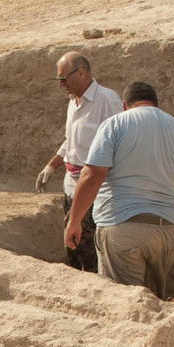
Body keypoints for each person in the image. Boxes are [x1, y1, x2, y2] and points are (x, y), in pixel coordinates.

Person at [64, 81, 174, 299]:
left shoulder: (115, 124)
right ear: (156, 104)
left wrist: (74, 220)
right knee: (154, 304)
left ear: (124, 105)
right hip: (166, 232)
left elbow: (92, 177)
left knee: (123, 303)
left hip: (122, 227)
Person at [35, 52, 122, 272]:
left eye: (63, 79)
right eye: (58, 80)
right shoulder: (73, 102)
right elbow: (71, 140)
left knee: (89, 248)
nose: (61, 84)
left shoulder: (107, 101)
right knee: (72, 245)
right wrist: (51, 166)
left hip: (93, 186)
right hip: (71, 184)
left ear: (82, 72)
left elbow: (119, 142)